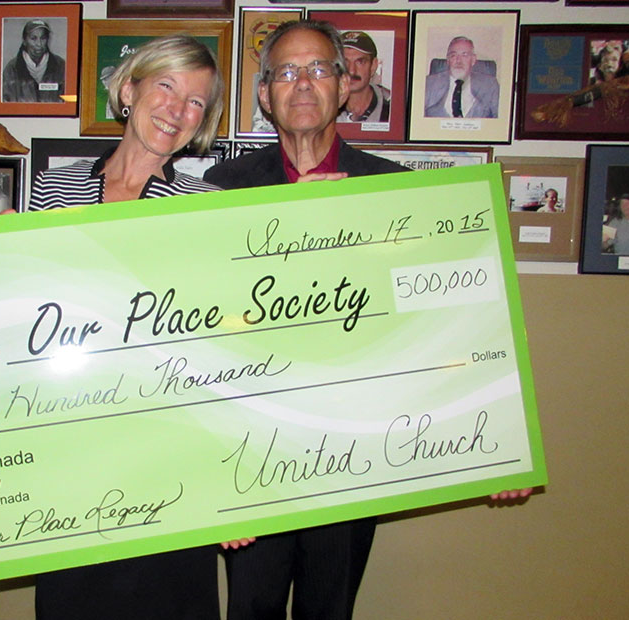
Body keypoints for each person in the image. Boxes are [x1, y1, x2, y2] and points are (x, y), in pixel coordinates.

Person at [204, 20, 532, 619]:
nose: (303, 84)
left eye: (319, 69)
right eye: (286, 72)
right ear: (264, 92)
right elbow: (201, 325)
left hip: (357, 448)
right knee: (250, 607)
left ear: (348, 85)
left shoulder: (394, 190)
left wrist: (500, 443)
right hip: (252, 444)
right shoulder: (220, 189)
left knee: (330, 610)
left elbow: (443, 318)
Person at [0, 34, 242, 620]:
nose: (179, 110)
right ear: (128, 90)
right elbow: (4, 297)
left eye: (198, 102)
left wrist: (226, 479)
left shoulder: (205, 206)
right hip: (68, 458)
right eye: (167, 87)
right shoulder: (55, 187)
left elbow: (218, 355)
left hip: (166, 456)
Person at [424, 36, 499, 119]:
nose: (458, 61)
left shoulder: (490, 85)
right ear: (448, 60)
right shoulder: (429, 83)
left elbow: (499, 122)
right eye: (453, 55)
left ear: (473, 60)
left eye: (464, 55)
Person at [2, 19, 67, 103]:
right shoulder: (11, 70)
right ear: (24, 41)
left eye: (43, 38)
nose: (39, 44)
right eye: (33, 38)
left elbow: (68, 101)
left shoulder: (61, 67)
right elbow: (5, 104)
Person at [336, 30, 390, 124]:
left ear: (373, 66)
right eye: (345, 62)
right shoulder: (322, 109)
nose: (351, 70)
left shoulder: (392, 110)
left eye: (360, 62)